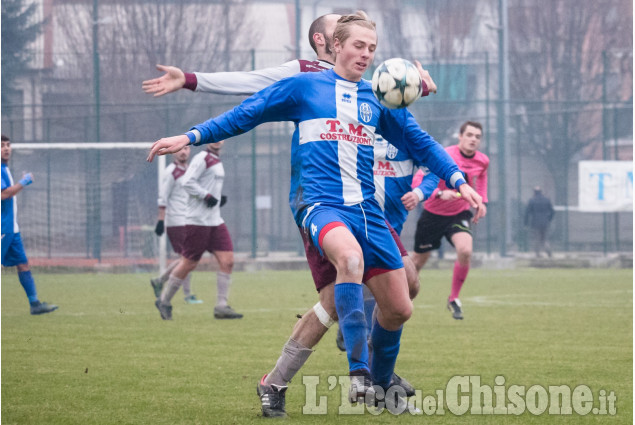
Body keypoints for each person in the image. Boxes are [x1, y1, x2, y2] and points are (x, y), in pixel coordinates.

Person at [147, 10, 484, 416]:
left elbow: (422, 143)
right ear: (335, 45)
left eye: (372, 48)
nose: (366, 54)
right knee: (351, 262)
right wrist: (190, 134)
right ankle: (364, 376)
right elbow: (245, 113)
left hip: (367, 211)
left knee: (396, 305)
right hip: (319, 204)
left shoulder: (378, 97)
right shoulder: (304, 84)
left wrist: (459, 180)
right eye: (358, 45)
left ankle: (288, 382)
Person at [154, 141, 241, 320]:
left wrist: (216, 198)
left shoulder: (216, 160)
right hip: (197, 221)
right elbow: (187, 181)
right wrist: (206, 196)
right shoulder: (202, 158)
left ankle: (221, 306)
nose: (217, 140)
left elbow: (207, 186)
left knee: (228, 261)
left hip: (215, 220)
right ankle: (164, 300)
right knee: (189, 263)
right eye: (214, 137)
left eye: (221, 137)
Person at [411, 121, 489, 320]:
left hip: (458, 213)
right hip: (432, 214)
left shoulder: (482, 161)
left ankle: (454, 297)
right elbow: (418, 179)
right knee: (418, 261)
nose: (473, 139)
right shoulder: (445, 155)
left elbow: (480, 182)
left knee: (465, 250)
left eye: (477, 137)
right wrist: (438, 193)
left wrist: (482, 202)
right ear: (460, 136)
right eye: (469, 135)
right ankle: (399, 296)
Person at [1, 134, 59, 315]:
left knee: (23, 264)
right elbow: (3, 194)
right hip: (2, 228)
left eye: (8, 145)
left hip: (12, 228)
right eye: (2, 145)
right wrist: (24, 182)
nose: (6, 148)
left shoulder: (5, 168)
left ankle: (34, 304)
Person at [150, 145, 203, 304]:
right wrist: (161, 220)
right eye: (180, 149)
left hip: (189, 219)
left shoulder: (190, 171)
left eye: (186, 149)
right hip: (176, 220)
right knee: (187, 258)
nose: (183, 152)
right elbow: (163, 196)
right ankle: (187, 294)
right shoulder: (171, 171)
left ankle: (160, 281)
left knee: (187, 258)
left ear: (189, 151)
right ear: (174, 152)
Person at [524, 186, 554, 258]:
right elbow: (552, 211)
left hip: (535, 222)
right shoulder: (547, 200)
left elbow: (527, 213)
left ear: (534, 192)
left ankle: (538, 254)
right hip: (545, 222)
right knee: (544, 238)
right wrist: (549, 219)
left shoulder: (532, 200)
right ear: (541, 192)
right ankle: (548, 250)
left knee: (537, 238)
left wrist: (525, 223)